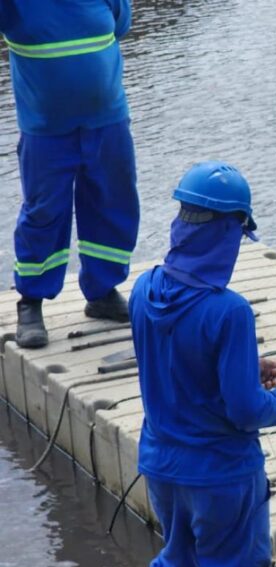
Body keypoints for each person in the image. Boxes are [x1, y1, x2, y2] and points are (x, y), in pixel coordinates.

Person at [129, 162, 276, 567]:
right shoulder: (229, 311)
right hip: (220, 474)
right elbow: (246, 411)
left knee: (178, 558)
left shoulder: (143, 289)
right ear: (228, 231)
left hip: (161, 464)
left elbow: (176, 365)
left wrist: (244, 366)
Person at [0, 0, 140, 349]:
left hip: (108, 119)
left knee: (113, 203)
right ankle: (31, 302)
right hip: (45, 128)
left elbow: (120, 24)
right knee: (44, 212)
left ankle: (102, 291)